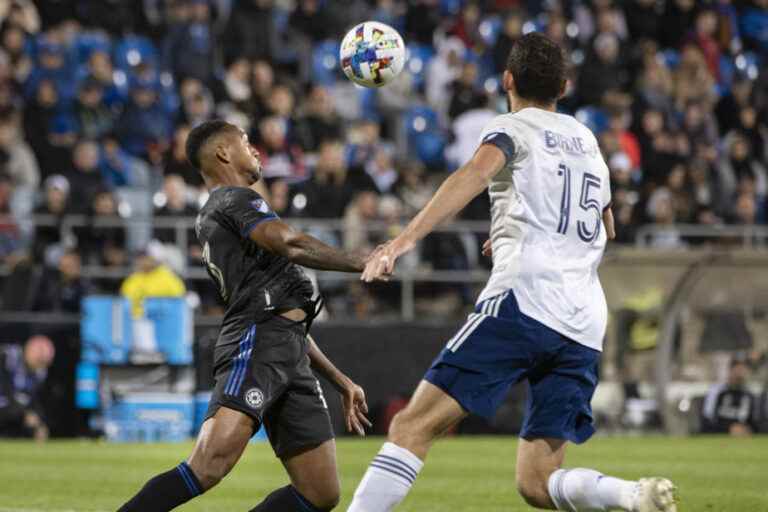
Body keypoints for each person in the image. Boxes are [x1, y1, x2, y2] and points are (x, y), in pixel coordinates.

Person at [348, 33, 677, 512]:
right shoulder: (587, 140)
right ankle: (631, 495)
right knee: (538, 484)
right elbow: (605, 225)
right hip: (583, 323)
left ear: (507, 80)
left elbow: (473, 175)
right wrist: (518, 225)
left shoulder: (511, 128)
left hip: (525, 302)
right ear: (563, 87)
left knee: (409, 426)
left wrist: (400, 243)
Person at [118, 120, 373, 512]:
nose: (255, 150)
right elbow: (291, 243)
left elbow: (284, 316)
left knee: (320, 492)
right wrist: (365, 260)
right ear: (223, 153)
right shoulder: (232, 200)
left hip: (285, 346)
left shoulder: (227, 217)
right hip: (257, 342)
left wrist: (339, 380)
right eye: (245, 142)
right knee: (208, 465)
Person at [0, 335, 55, 441]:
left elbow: (32, 398)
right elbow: (7, 390)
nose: (41, 366)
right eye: (40, 360)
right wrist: (25, 413)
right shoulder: (8, 357)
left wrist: (40, 422)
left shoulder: (39, 372)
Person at [700, 358, 759, 436]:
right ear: (730, 371)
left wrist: (747, 429)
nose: (739, 374)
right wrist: (728, 429)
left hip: (743, 439)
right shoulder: (716, 392)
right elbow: (706, 421)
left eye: (742, 371)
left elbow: (755, 423)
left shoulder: (749, 395)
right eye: (737, 371)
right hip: (719, 437)